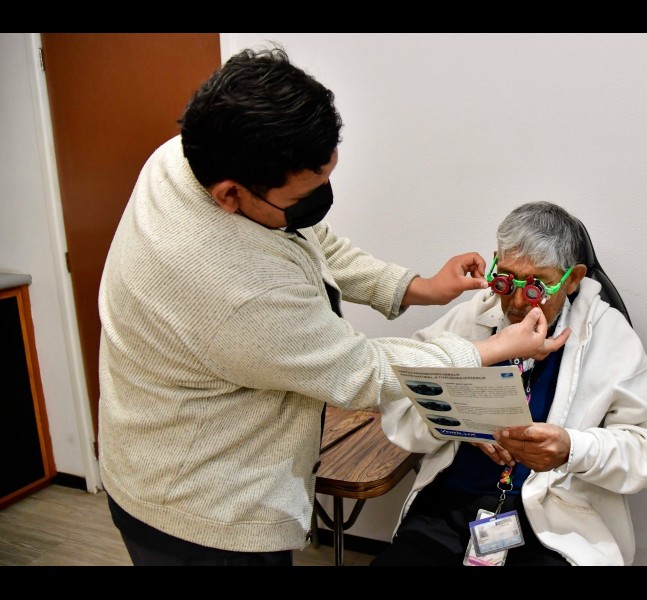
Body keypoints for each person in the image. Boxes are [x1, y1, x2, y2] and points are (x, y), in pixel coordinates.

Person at [97, 46, 565, 567]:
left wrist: (417, 287)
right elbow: (361, 372)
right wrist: (489, 350)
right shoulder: (239, 290)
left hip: (159, 444)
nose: (322, 198)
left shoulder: (185, 157)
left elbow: (308, 241)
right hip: (200, 512)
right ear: (230, 194)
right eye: (306, 193)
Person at [372, 201, 647, 566]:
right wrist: (460, 424)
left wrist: (572, 449)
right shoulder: (474, 315)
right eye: (506, 280)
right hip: (450, 508)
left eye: (537, 287)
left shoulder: (609, 335)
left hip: (551, 521)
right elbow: (400, 394)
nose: (518, 302)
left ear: (573, 279)